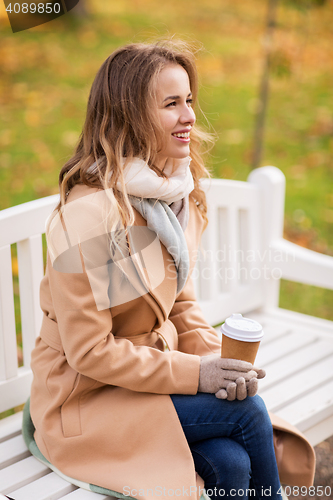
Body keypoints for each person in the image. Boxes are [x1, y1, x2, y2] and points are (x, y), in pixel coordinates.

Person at [27, 40, 315, 500]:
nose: (189, 117)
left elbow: (177, 302)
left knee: (231, 461)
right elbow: (91, 352)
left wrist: (223, 365)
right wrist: (197, 375)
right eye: (171, 105)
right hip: (87, 401)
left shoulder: (174, 197)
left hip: (147, 384)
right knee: (249, 415)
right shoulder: (91, 218)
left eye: (189, 101)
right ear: (129, 115)